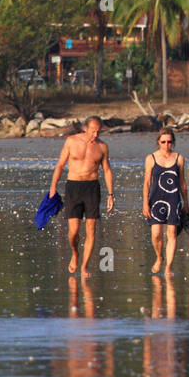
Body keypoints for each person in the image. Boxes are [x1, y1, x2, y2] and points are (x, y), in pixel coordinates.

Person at [48, 116, 115, 275]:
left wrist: (111, 194)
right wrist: (53, 187)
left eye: (98, 131)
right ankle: (75, 253)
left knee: (91, 229)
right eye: (93, 131)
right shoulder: (71, 141)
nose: (96, 134)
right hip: (74, 187)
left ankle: (84, 266)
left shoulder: (102, 147)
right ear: (85, 128)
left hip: (92, 188)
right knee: (74, 231)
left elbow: (106, 170)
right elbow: (60, 165)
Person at [142, 128, 187, 275]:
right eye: (163, 142)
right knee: (156, 233)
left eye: (169, 142)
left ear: (173, 142)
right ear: (158, 142)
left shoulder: (179, 158)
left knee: (172, 233)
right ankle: (159, 257)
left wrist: (186, 203)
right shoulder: (151, 158)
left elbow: (182, 182)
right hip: (156, 199)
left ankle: (168, 267)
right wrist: (145, 203)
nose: (166, 145)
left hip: (174, 198)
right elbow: (147, 182)